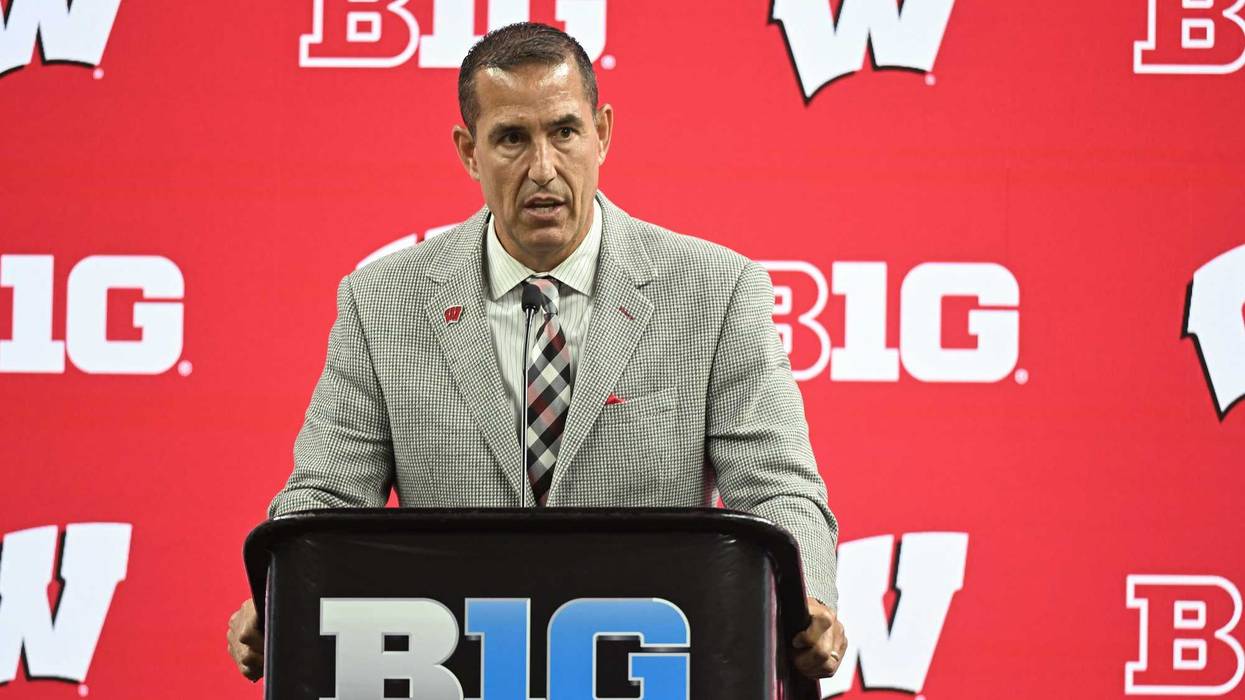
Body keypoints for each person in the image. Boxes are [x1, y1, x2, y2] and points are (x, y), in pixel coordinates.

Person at [227, 21, 847, 683]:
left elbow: (778, 490)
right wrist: (279, 590)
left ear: (602, 133)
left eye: (564, 132)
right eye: (511, 139)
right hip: (456, 672)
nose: (543, 168)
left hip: (647, 669)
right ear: (469, 151)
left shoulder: (716, 290)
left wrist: (804, 599)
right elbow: (326, 495)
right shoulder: (381, 302)